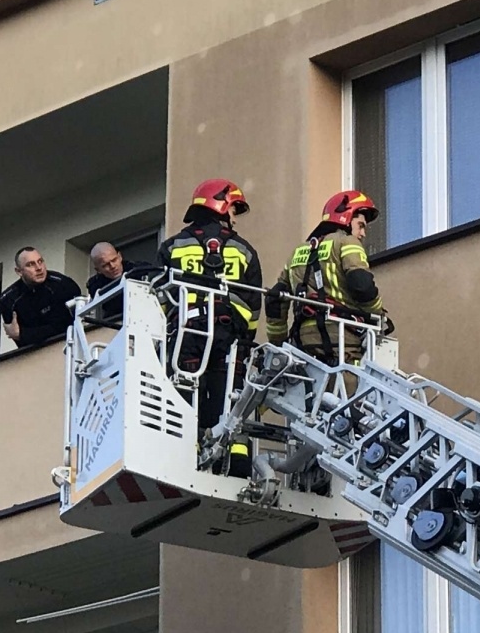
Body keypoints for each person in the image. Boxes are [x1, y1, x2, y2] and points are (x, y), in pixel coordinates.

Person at [158, 179, 263, 468]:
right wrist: (246, 339)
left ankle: (184, 456)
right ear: (222, 205)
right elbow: (253, 303)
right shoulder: (244, 250)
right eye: (234, 210)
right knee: (229, 396)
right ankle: (235, 462)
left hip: (186, 334)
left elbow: (162, 297)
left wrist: (172, 326)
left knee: (185, 392)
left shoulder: (172, 246)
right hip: (230, 337)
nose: (234, 217)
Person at [265, 190, 390, 363]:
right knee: (352, 388)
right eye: (361, 225)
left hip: (302, 344)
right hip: (341, 340)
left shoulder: (297, 252)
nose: (363, 234)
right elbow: (362, 286)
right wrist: (379, 315)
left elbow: (275, 299)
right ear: (346, 217)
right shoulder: (347, 242)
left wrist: (277, 343)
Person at [0, 246, 82, 348]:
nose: (39, 268)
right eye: (30, 264)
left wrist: (23, 334)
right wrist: (22, 336)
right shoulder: (9, 300)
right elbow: (23, 345)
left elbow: (67, 326)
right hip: (38, 357)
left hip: (70, 346)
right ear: (19, 271)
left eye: (40, 261)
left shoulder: (62, 284)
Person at [85, 241, 153, 324]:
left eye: (114, 260)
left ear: (120, 256)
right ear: (98, 270)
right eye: (105, 265)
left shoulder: (140, 269)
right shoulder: (95, 286)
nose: (112, 266)